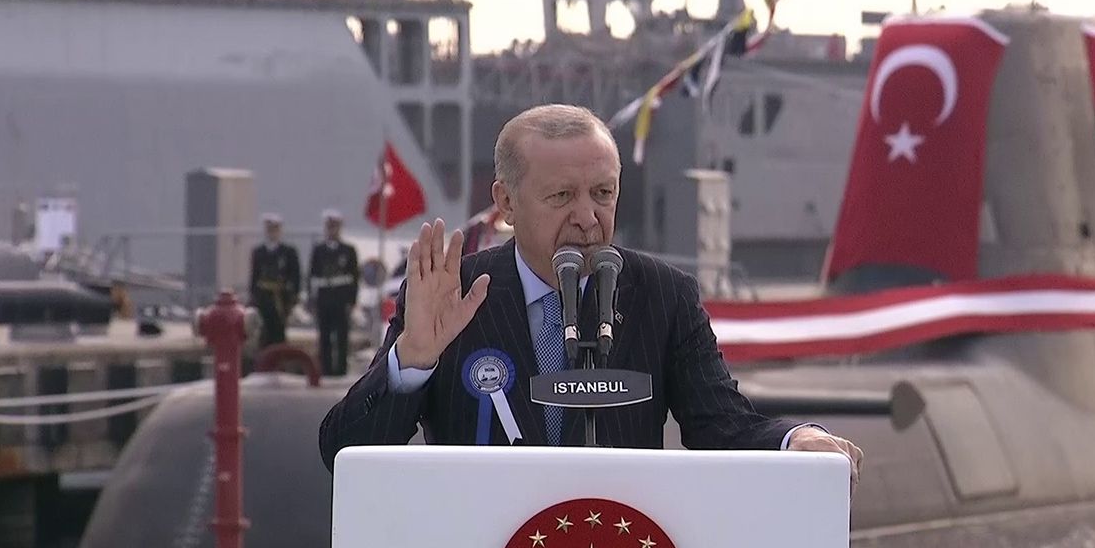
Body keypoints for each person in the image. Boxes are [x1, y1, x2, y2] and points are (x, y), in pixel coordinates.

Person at [317, 104, 862, 483]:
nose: (587, 217)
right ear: (505, 203)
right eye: (561, 197)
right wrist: (412, 361)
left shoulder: (663, 296)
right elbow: (343, 451)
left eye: (603, 193)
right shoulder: (452, 296)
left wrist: (796, 440)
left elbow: (723, 426)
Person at [309, 210, 359, 376]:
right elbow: (312, 276)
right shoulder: (319, 250)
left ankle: (341, 369)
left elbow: (354, 277)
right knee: (324, 335)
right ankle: (326, 369)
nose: (332, 230)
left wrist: (352, 300)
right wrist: (312, 301)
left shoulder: (348, 250)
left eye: (335, 226)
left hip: (341, 298)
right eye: (329, 227)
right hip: (324, 298)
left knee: (341, 334)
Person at [248, 213, 301, 350]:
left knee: (279, 331)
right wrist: (253, 297)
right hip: (263, 296)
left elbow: (295, 275)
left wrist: (294, 297)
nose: (272, 232)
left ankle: (279, 358)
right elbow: (255, 276)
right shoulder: (259, 252)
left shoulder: (288, 251)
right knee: (263, 332)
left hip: (280, 298)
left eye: (275, 229)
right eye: (270, 229)